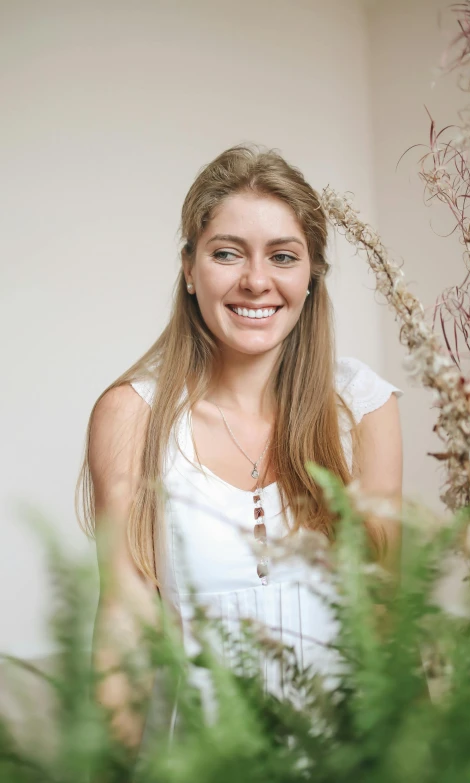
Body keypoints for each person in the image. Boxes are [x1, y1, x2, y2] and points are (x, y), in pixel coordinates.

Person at [76, 144, 403, 752]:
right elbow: (124, 628)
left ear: (312, 276)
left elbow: (386, 622)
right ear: (189, 268)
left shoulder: (364, 410)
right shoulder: (133, 415)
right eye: (227, 253)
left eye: (283, 256)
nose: (256, 280)